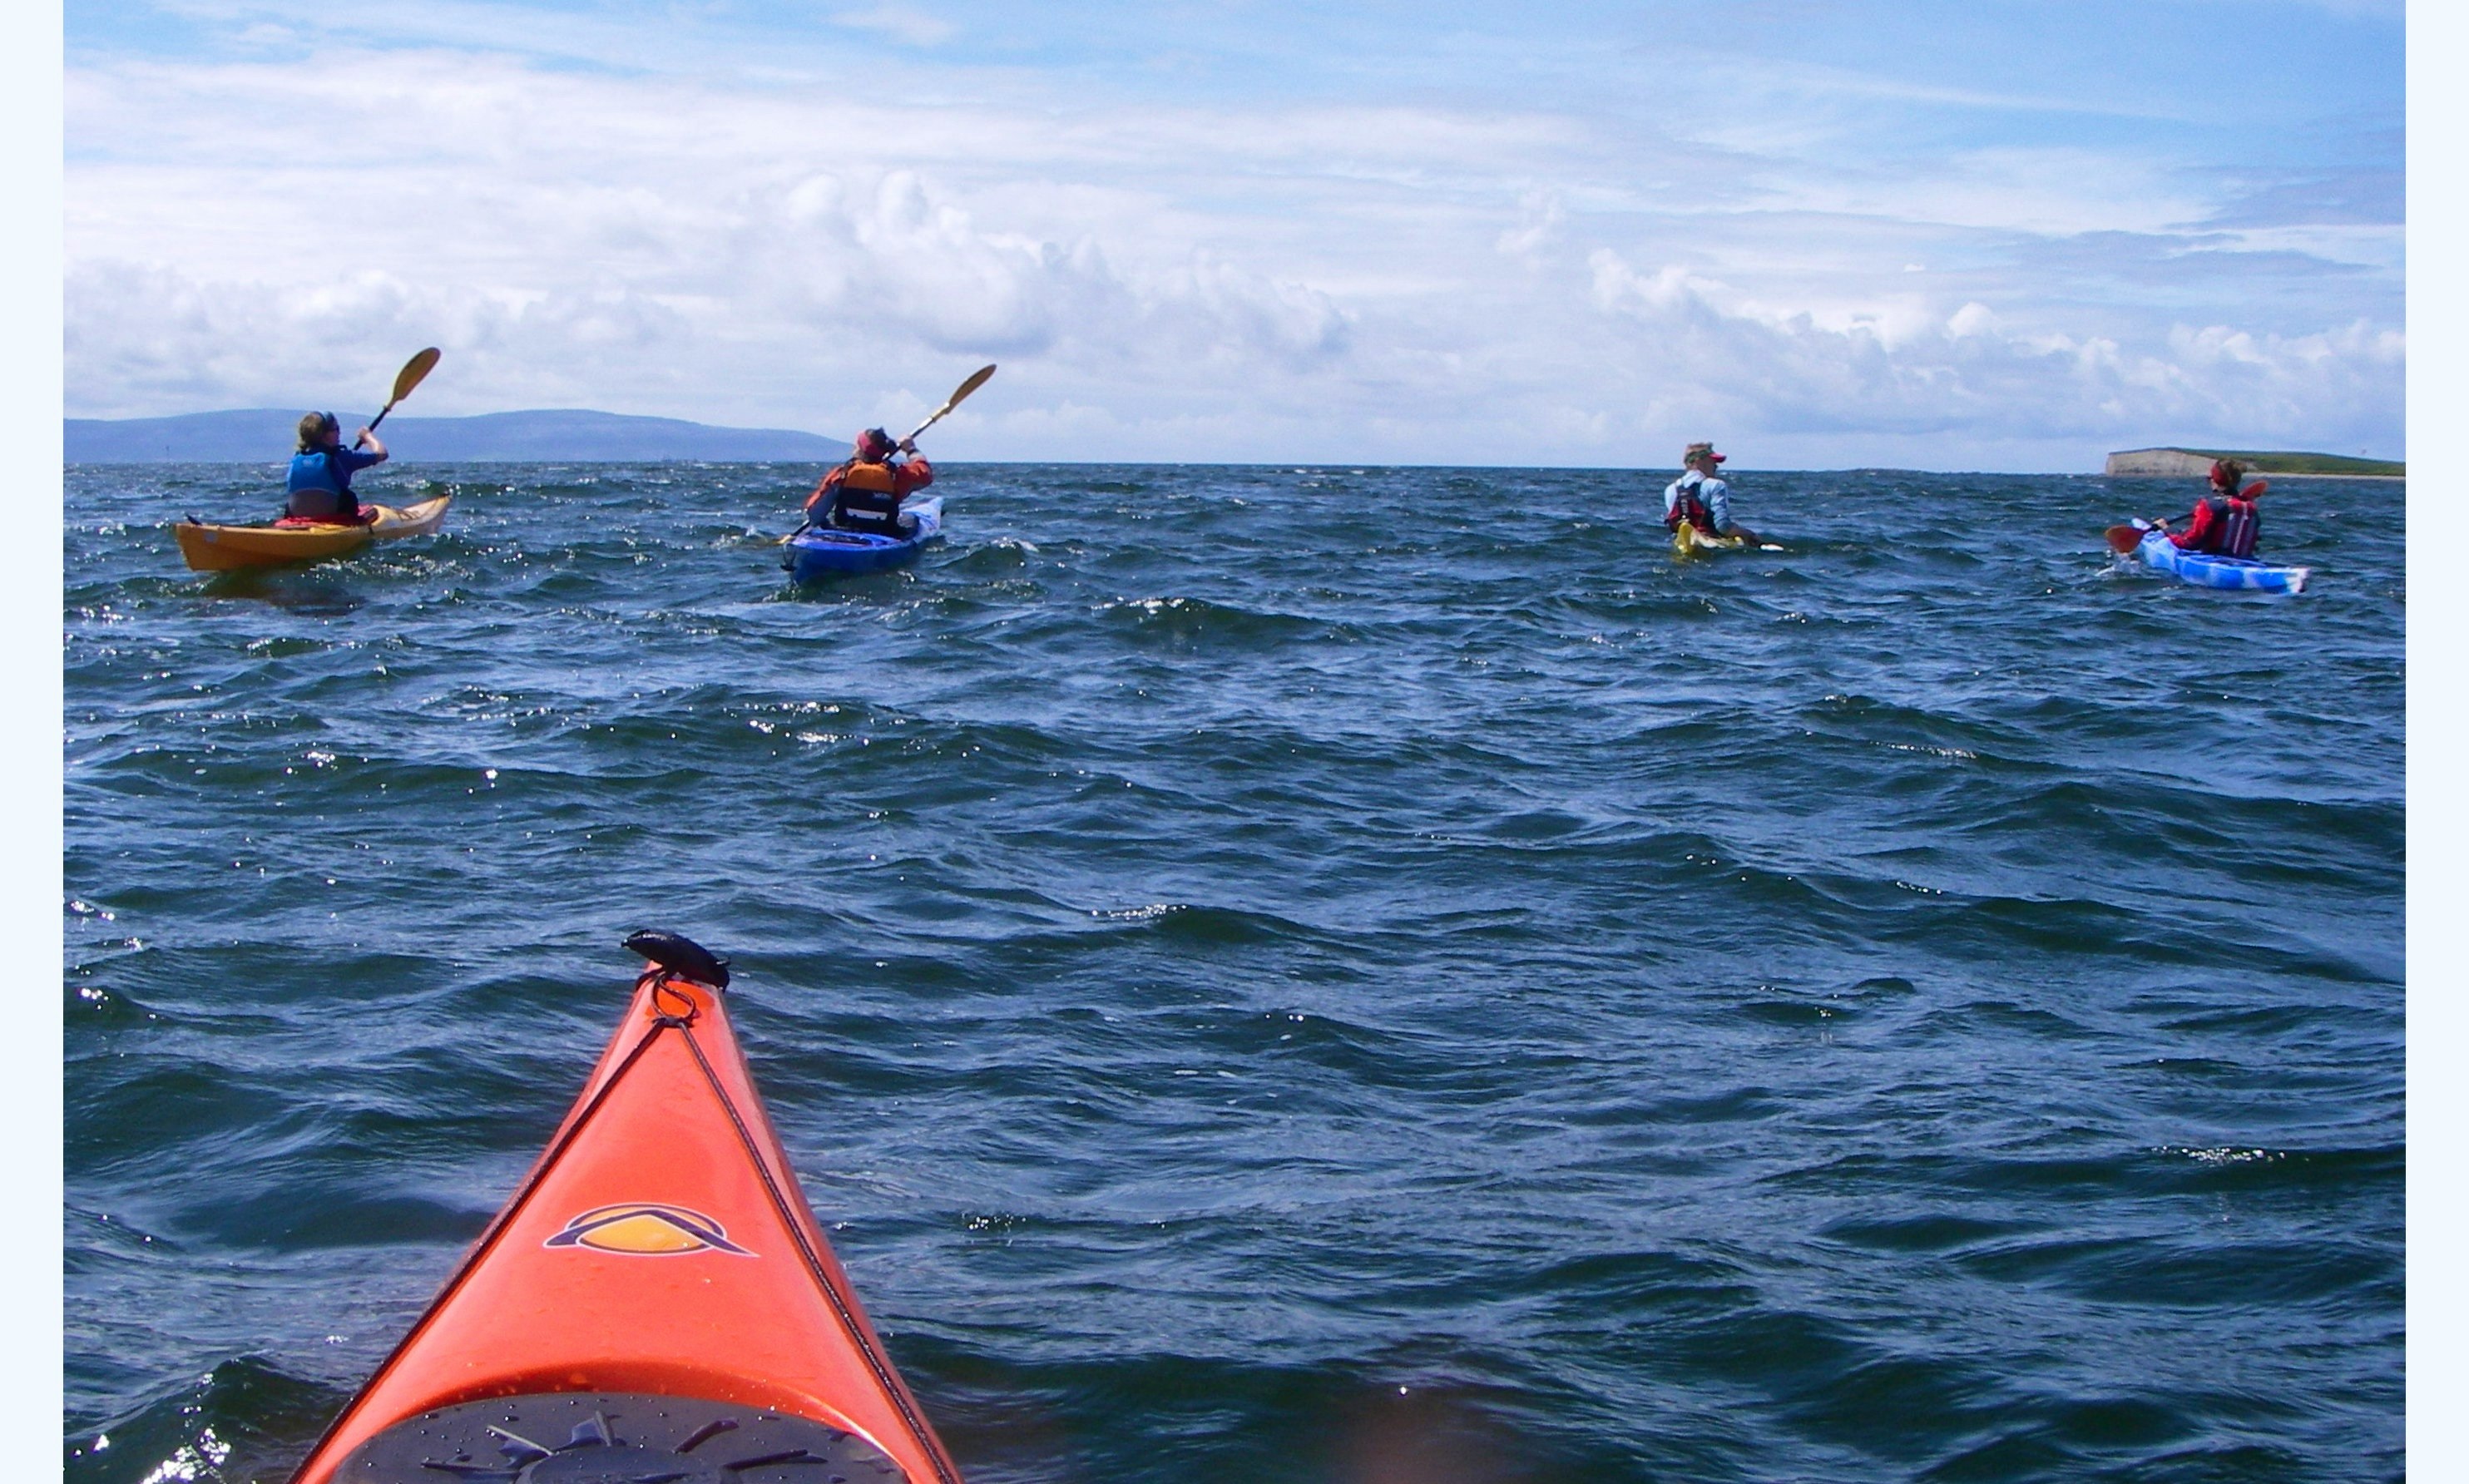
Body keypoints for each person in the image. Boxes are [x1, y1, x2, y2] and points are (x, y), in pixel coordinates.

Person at [803, 428, 933, 535]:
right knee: (911, 521)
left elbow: (815, 514)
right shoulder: (896, 475)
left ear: (860, 450)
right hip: (885, 534)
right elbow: (925, 474)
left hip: (844, 532)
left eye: (856, 446)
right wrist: (911, 449)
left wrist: (825, 524)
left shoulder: (841, 474)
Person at [286, 412, 388, 522]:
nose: (339, 433)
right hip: (333, 515)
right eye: (336, 429)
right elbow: (382, 454)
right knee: (350, 498)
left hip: (298, 515)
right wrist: (368, 436)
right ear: (324, 434)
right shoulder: (341, 456)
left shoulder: (297, 457)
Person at [2165, 459, 2266, 558]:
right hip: (2246, 560)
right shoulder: (2251, 508)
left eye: (2210, 478)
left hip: (2216, 560)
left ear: (2215, 480)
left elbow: (2191, 543)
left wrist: (2167, 532)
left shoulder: (2209, 505)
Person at [1663, 442, 1754, 539]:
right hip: (1710, 542)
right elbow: (1723, 526)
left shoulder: (1671, 489)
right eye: (1713, 461)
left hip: (1681, 541)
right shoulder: (1716, 485)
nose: (1716, 466)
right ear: (1699, 461)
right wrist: (1750, 535)